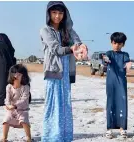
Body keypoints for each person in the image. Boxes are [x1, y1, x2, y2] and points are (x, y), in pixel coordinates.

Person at [40, 1, 87, 141]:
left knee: (65, 104)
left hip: (66, 71)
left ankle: (65, 136)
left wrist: (81, 47)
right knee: (53, 104)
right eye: (54, 13)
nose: (57, 16)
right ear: (49, 14)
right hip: (54, 70)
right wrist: (72, 49)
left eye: (60, 13)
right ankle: (51, 136)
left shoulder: (68, 30)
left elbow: (77, 42)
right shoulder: (45, 30)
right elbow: (56, 49)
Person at [103, 32, 131, 139]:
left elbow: (127, 62)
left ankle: (122, 128)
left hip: (122, 83)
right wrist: (106, 59)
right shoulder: (109, 53)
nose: (116, 46)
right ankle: (109, 129)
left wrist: (129, 65)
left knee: (122, 103)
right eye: (114, 43)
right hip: (111, 83)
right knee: (110, 103)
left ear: (123, 44)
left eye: (119, 44)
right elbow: (106, 59)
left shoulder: (125, 55)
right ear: (111, 43)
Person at [1, 64, 31, 142]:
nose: (16, 76)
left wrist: (15, 105)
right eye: (14, 73)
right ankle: (4, 137)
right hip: (11, 109)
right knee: (6, 121)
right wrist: (7, 105)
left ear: (23, 76)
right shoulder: (9, 87)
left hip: (23, 109)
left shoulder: (26, 87)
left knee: (24, 121)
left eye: (19, 74)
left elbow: (24, 100)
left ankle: (28, 137)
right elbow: (7, 98)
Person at [0, 33, 16, 106]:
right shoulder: (10, 47)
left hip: (1, 67)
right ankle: (8, 98)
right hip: (10, 66)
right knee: (8, 82)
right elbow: (12, 56)